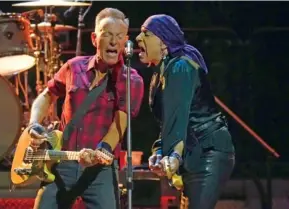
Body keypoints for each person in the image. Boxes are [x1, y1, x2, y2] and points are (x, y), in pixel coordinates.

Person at [27, 8, 144, 209]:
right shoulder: (74, 67)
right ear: (94, 38)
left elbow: (120, 123)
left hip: (99, 170)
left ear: (126, 42)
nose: (114, 42)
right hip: (62, 162)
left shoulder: (131, 80)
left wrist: (103, 149)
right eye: (107, 35)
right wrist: (33, 125)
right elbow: (46, 96)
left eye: (119, 36)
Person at [136, 14, 235, 209]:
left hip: (207, 150)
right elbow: (168, 121)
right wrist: (160, 150)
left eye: (146, 34)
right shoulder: (160, 73)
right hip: (193, 151)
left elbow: (179, 117)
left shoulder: (181, 67)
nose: (138, 38)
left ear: (163, 43)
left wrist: (173, 155)